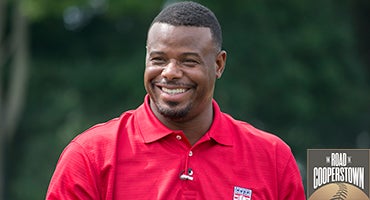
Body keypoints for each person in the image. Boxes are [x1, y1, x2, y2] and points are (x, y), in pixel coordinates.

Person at [46, 1, 305, 199]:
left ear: (218, 64)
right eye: (158, 60)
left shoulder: (272, 157)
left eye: (188, 61)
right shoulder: (90, 156)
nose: (169, 72)